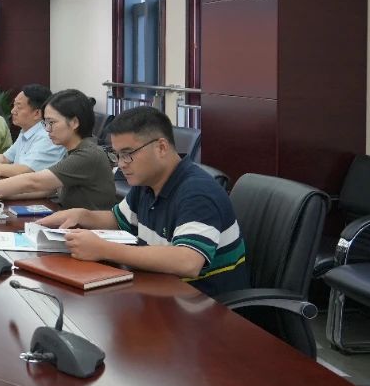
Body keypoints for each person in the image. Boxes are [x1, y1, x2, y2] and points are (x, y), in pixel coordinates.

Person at [43, 106, 249, 297]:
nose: (121, 164)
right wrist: (81, 215)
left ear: (161, 147)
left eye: (127, 154)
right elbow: (118, 220)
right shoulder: (147, 183)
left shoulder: (198, 192)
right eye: (116, 155)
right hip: (163, 290)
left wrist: (104, 249)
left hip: (207, 305)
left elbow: (188, 261)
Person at [0, 89, 116, 209]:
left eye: (51, 123)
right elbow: (48, 190)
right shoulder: (72, 150)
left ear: (74, 123)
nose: (47, 129)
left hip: (90, 233)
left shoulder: (87, 155)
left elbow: (33, 181)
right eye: (46, 123)